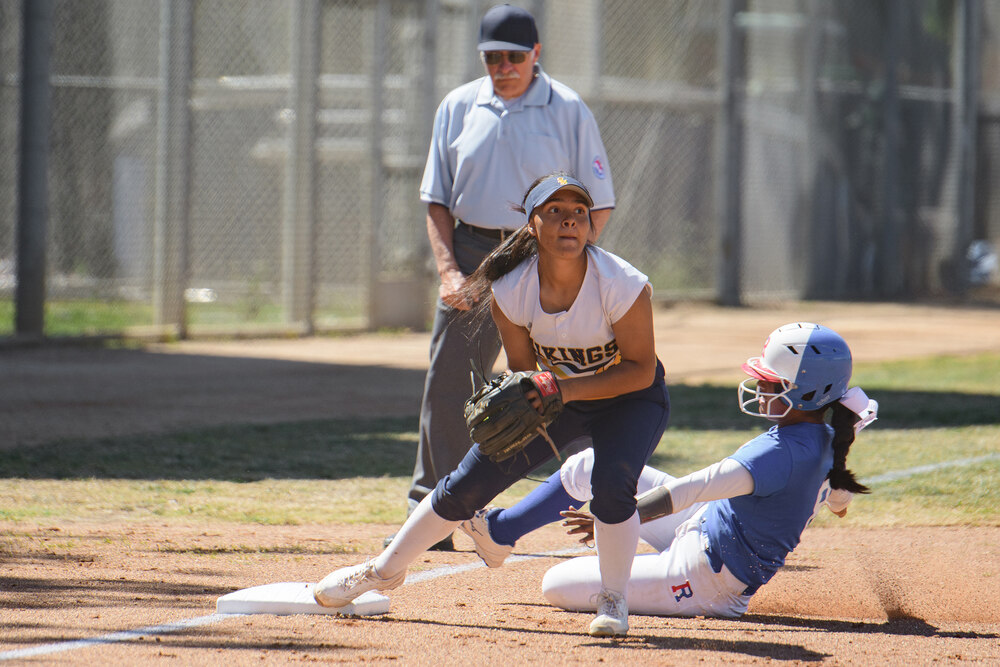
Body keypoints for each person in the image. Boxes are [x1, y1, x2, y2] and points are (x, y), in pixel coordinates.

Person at [314, 174, 668, 638]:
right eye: (554, 210)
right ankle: (382, 571)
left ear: (591, 226)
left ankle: (614, 599)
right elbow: (526, 371)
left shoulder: (621, 283)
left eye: (579, 212)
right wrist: (527, 397)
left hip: (631, 399)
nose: (569, 220)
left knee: (612, 483)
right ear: (531, 225)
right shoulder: (512, 288)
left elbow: (641, 369)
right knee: (466, 483)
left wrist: (563, 390)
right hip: (560, 396)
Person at [457, 322, 879, 619]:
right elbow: (838, 500)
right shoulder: (830, 439)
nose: (762, 388)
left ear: (807, 392)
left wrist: (615, 516)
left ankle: (645, 571)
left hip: (704, 581)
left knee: (556, 584)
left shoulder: (781, 451)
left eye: (772, 383)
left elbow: (695, 487)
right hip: (706, 532)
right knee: (589, 464)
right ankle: (500, 532)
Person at [401, 3, 616, 551]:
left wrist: (567, 261)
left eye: (514, 56)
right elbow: (436, 200)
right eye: (492, 57)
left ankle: (600, 502)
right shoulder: (459, 105)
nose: (503, 66)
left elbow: (601, 204)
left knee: (563, 382)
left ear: (536, 55)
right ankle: (432, 511)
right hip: (473, 252)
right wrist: (449, 271)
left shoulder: (566, 108)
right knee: (449, 384)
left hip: (542, 250)